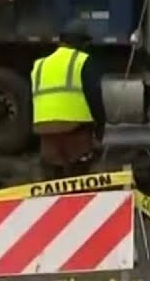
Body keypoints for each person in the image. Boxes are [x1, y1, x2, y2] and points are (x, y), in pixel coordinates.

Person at [31, 22, 106, 179]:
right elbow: (94, 97)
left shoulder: (40, 64)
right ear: (82, 42)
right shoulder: (82, 60)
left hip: (44, 131)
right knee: (79, 175)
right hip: (75, 130)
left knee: (52, 178)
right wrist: (100, 130)